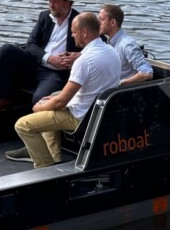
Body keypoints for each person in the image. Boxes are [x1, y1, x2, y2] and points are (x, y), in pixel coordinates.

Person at [12, 13, 120, 168]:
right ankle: (54, 155)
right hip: (98, 111)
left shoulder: (83, 61)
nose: (72, 35)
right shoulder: (111, 52)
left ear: (84, 32)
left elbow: (62, 101)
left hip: (80, 117)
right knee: (51, 97)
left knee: (23, 125)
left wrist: (38, 107)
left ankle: (44, 165)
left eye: (74, 32)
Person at [0, 0, 81, 114]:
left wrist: (79, 56)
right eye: (49, 1)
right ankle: (5, 98)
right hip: (36, 64)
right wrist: (49, 58)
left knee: (39, 99)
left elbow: (98, 45)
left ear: (67, 3)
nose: (51, 5)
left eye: (55, 1)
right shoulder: (45, 16)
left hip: (56, 73)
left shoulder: (80, 20)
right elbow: (30, 44)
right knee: (7, 50)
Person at [98, 4, 153, 86]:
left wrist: (121, 84)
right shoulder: (109, 42)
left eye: (102, 20)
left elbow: (147, 72)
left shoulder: (127, 45)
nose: (98, 23)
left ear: (113, 22)